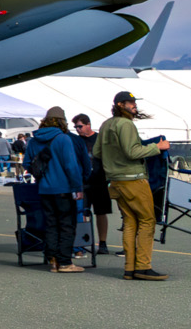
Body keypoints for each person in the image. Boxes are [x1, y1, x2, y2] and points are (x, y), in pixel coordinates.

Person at [98, 91, 169, 280]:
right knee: (147, 221)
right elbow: (132, 151)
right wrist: (157, 147)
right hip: (133, 179)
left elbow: (97, 152)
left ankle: (130, 267)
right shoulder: (126, 124)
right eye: (130, 102)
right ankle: (143, 266)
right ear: (120, 104)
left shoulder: (106, 124)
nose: (134, 105)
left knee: (130, 222)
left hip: (116, 180)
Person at [30, 107, 86, 273]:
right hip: (63, 189)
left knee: (51, 225)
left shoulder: (34, 140)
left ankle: (52, 259)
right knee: (67, 225)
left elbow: (28, 164)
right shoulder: (63, 139)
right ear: (63, 121)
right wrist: (77, 187)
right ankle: (64, 262)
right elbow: (71, 166)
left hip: (44, 189)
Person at [72, 113, 110, 255]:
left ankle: (103, 243)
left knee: (101, 212)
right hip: (83, 182)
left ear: (88, 124)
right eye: (76, 127)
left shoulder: (99, 138)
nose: (78, 129)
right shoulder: (76, 140)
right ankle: (84, 242)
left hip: (100, 180)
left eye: (80, 126)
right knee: (83, 213)